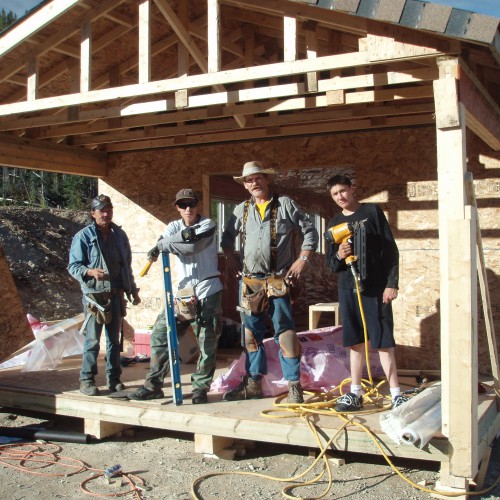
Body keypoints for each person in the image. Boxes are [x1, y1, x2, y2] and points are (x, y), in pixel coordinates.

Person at [221, 161, 318, 404]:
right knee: (251, 334)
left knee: (284, 332)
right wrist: (231, 259)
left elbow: (310, 231)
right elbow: (226, 238)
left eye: (257, 178)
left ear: (267, 179)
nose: (254, 183)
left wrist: (302, 259)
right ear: (245, 185)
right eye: (248, 180)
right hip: (250, 282)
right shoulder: (240, 210)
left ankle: (294, 386)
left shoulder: (285, 205)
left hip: (278, 280)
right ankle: (253, 383)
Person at [127, 188, 223, 404]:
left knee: (206, 342)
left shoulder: (208, 225)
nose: (188, 209)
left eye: (191, 204)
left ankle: (200, 388)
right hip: (183, 294)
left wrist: (163, 244)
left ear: (198, 205)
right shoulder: (173, 226)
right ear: (177, 207)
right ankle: (153, 385)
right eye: (182, 205)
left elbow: (191, 247)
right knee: (162, 334)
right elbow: (167, 241)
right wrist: (171, 241)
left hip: (207, 290)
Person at [325, 174, 408, 411]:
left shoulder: (372, 212)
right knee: (355, 342)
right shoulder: (333, 224)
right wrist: (340, 255)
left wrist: (392, 284)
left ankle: (395, 394)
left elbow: (390, 251)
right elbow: (332, 266)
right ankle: (355, 393)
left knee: (383, 339)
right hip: (348, 288)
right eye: (335, 194)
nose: (340, 197)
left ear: (353, 189)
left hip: (375, 287)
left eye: (343, 191)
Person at [68, 195, 141, 396]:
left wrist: (132, 290)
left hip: (116, 294)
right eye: (101, 210)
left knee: (114, 341)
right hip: (95, 298)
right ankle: (87, 380)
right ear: (93, 213)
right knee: (92, 340)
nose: (105, 213)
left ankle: (114, 379)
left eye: (108, 209)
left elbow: (127, 265)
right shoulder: (83, 237)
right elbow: (73, 266)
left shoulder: (119, 235)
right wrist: (90, 272)